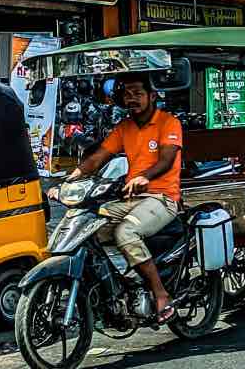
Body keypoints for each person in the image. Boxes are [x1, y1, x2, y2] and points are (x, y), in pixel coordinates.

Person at [54, 75, 183, 322]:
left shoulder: (169, 123)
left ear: (152, 96)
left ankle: (160, 294)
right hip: (130, 199)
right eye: (127, 94)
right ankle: (116, 286)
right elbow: (96, 159)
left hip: (162, 198)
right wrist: (67, 182)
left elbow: (166, 160)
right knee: (87, 228)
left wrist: (143, 177)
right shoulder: (124, 127)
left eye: (138, 93)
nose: (132, 98)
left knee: (126, 233)